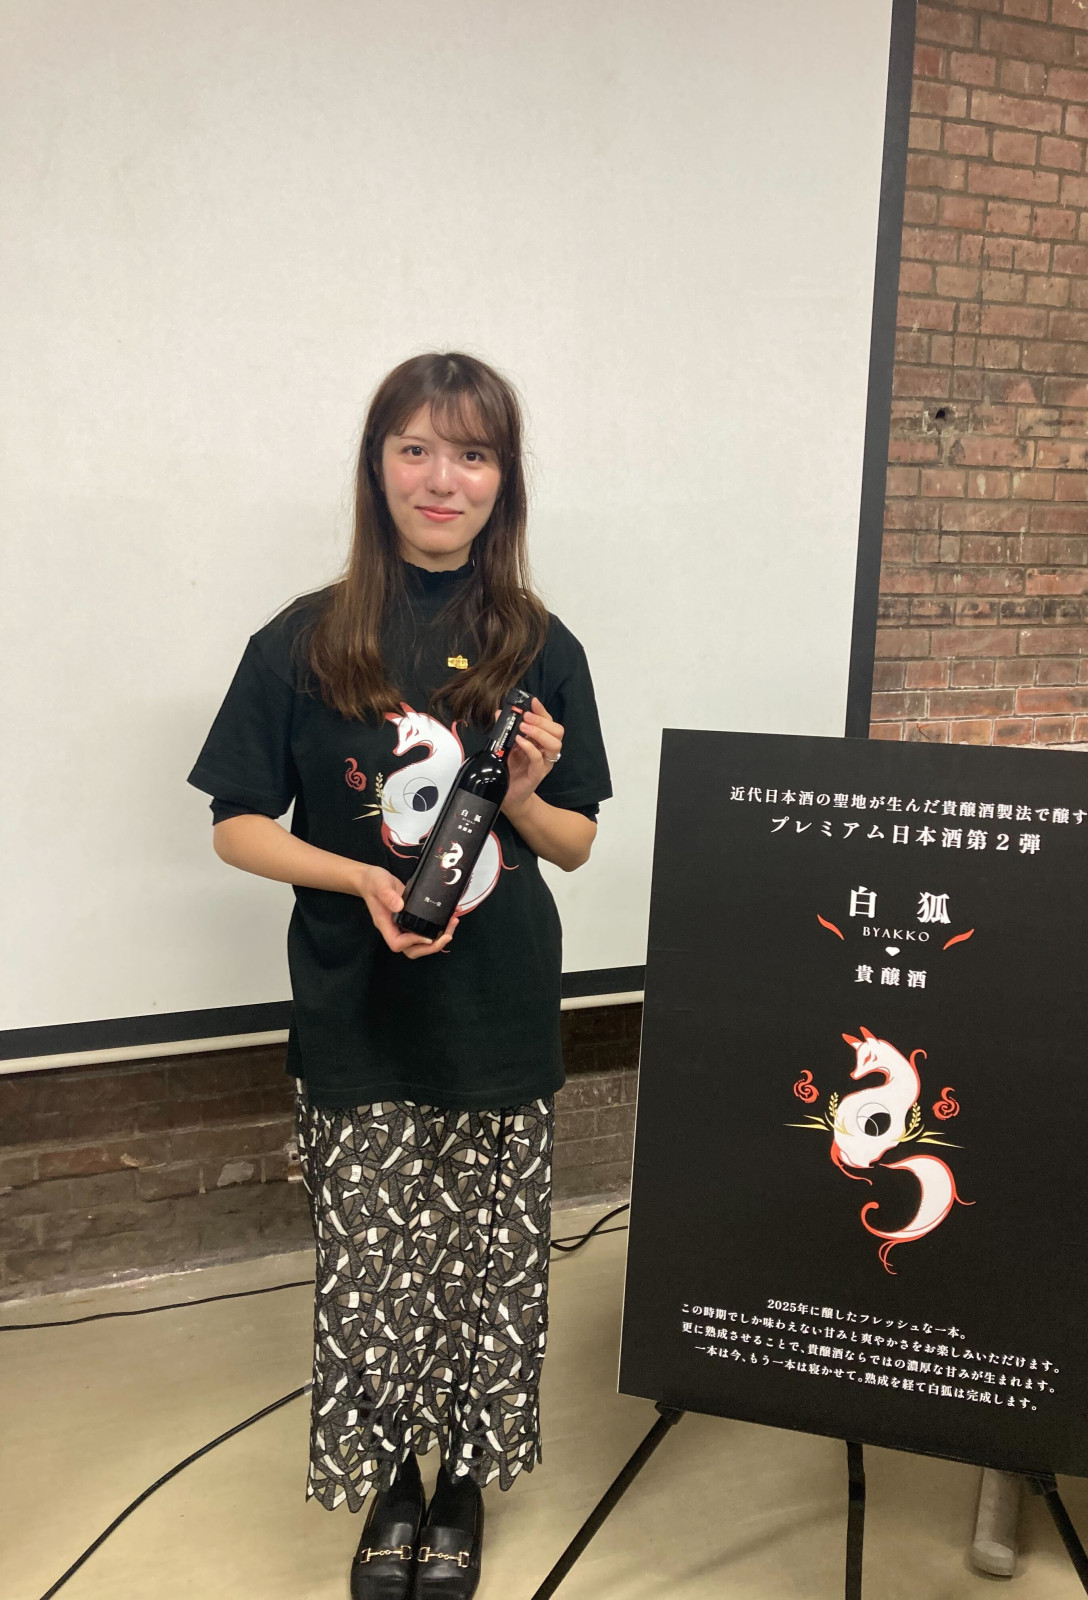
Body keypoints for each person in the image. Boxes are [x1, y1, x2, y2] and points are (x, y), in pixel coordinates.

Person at [188, 353, 611, 1599]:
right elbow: (235, 824)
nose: (443, 478)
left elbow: (575, 844)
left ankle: (463, 1483)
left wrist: (523, 794)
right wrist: (361, 878)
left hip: (498, 1007)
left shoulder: (540, 645)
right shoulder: (304, 638)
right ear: (378, 468)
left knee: (488, 1263)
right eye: (417, 448)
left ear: (503, 479)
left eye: (472, 454)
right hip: (355, 1004)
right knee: (372, 1270)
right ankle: (391, 1486)